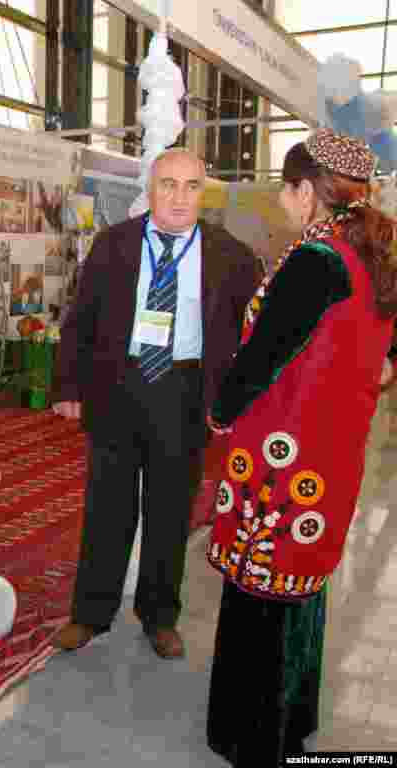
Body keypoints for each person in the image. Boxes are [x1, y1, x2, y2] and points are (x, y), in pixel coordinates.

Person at [204, 130, 397, 765]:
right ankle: (294, 717)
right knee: (300, 585)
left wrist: (220, 410)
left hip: (284, 453)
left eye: (286, 191)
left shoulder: (317, 260)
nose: (283, 204)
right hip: (332, 451)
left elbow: (264, 354)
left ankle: (254, 735)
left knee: (263, 591)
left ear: (307, 191)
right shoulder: (371, 255)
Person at [52, 148, 263, 659]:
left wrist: (233, 401)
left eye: (192, 186)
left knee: (171, 511)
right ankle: (91, 612)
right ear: (150, 189)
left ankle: (159, 615)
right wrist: (67, 387)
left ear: (204, 193)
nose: (179, 197)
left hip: (184, 393)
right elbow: (79, 320)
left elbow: (254, 335)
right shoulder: (114, 245)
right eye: (169, 184)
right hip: (117, 389)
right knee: (108, 507)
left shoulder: (230, 255)